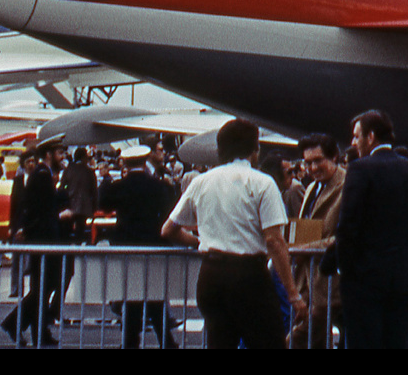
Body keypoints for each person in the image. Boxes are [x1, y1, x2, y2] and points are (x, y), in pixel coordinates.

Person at [163, 118, 305, 348]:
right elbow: (274, 240)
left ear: (220, 149)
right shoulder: (262, 183)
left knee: (220, 342)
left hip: (210, 274)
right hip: (249, 275)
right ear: (255, 149)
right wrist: (292, 293)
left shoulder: (202, 181)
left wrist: (200, 243)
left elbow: (169, 229)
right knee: (268, 342)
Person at [328, 109, 408, 349]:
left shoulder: (360, 170)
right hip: (404, 279)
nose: (353, 142)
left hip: (364, 279)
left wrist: (345, 269)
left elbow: (347, 226)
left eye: (357, 136)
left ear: (371, 136)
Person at [101, 144, 179, 348]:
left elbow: (103, 204)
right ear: (145, 161)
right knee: (156, 297)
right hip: (154, 246)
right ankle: (166, 342)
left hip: (127, 247)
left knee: (131, 298)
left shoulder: (118, 187)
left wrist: (106, 178)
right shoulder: (161, 187)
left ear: (124, 163)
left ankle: (130, 342)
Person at [2, 136, 69, 346]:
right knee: (45, 286)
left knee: (44, 287)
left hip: (43, 238)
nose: (63, 157)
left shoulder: (44, 175)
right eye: (59, 153)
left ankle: (39, 333)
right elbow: (39, 209)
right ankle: (14, 323)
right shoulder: (41, 176)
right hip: (44, 239)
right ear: (48, 155)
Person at [288, 134, 345, 349]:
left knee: (297, 340)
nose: (312, 167)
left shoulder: (348, 185)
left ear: (334, 157)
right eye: (308, 162)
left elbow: (345, 236)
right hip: (308, 281)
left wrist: (303, 248)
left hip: (334, 283)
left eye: (318, 160)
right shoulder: (312, 187)